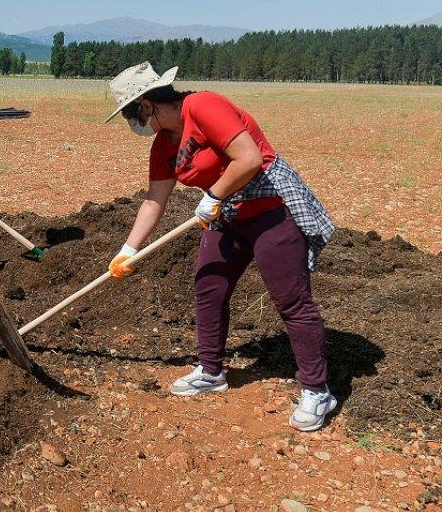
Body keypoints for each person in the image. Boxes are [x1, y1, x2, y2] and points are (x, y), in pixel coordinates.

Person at [104, 62, 337, 431]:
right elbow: (154, 200)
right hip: (227, 213)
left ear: (147, 104)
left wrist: (214, 194)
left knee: (290, 299)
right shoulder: (164, 145)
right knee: (209, 286)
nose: (132, 122)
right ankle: (211, 371)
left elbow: (249, 157)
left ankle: (317, 389)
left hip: (271, 208)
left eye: (132, 113)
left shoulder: (204, 106)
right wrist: (128, 250)